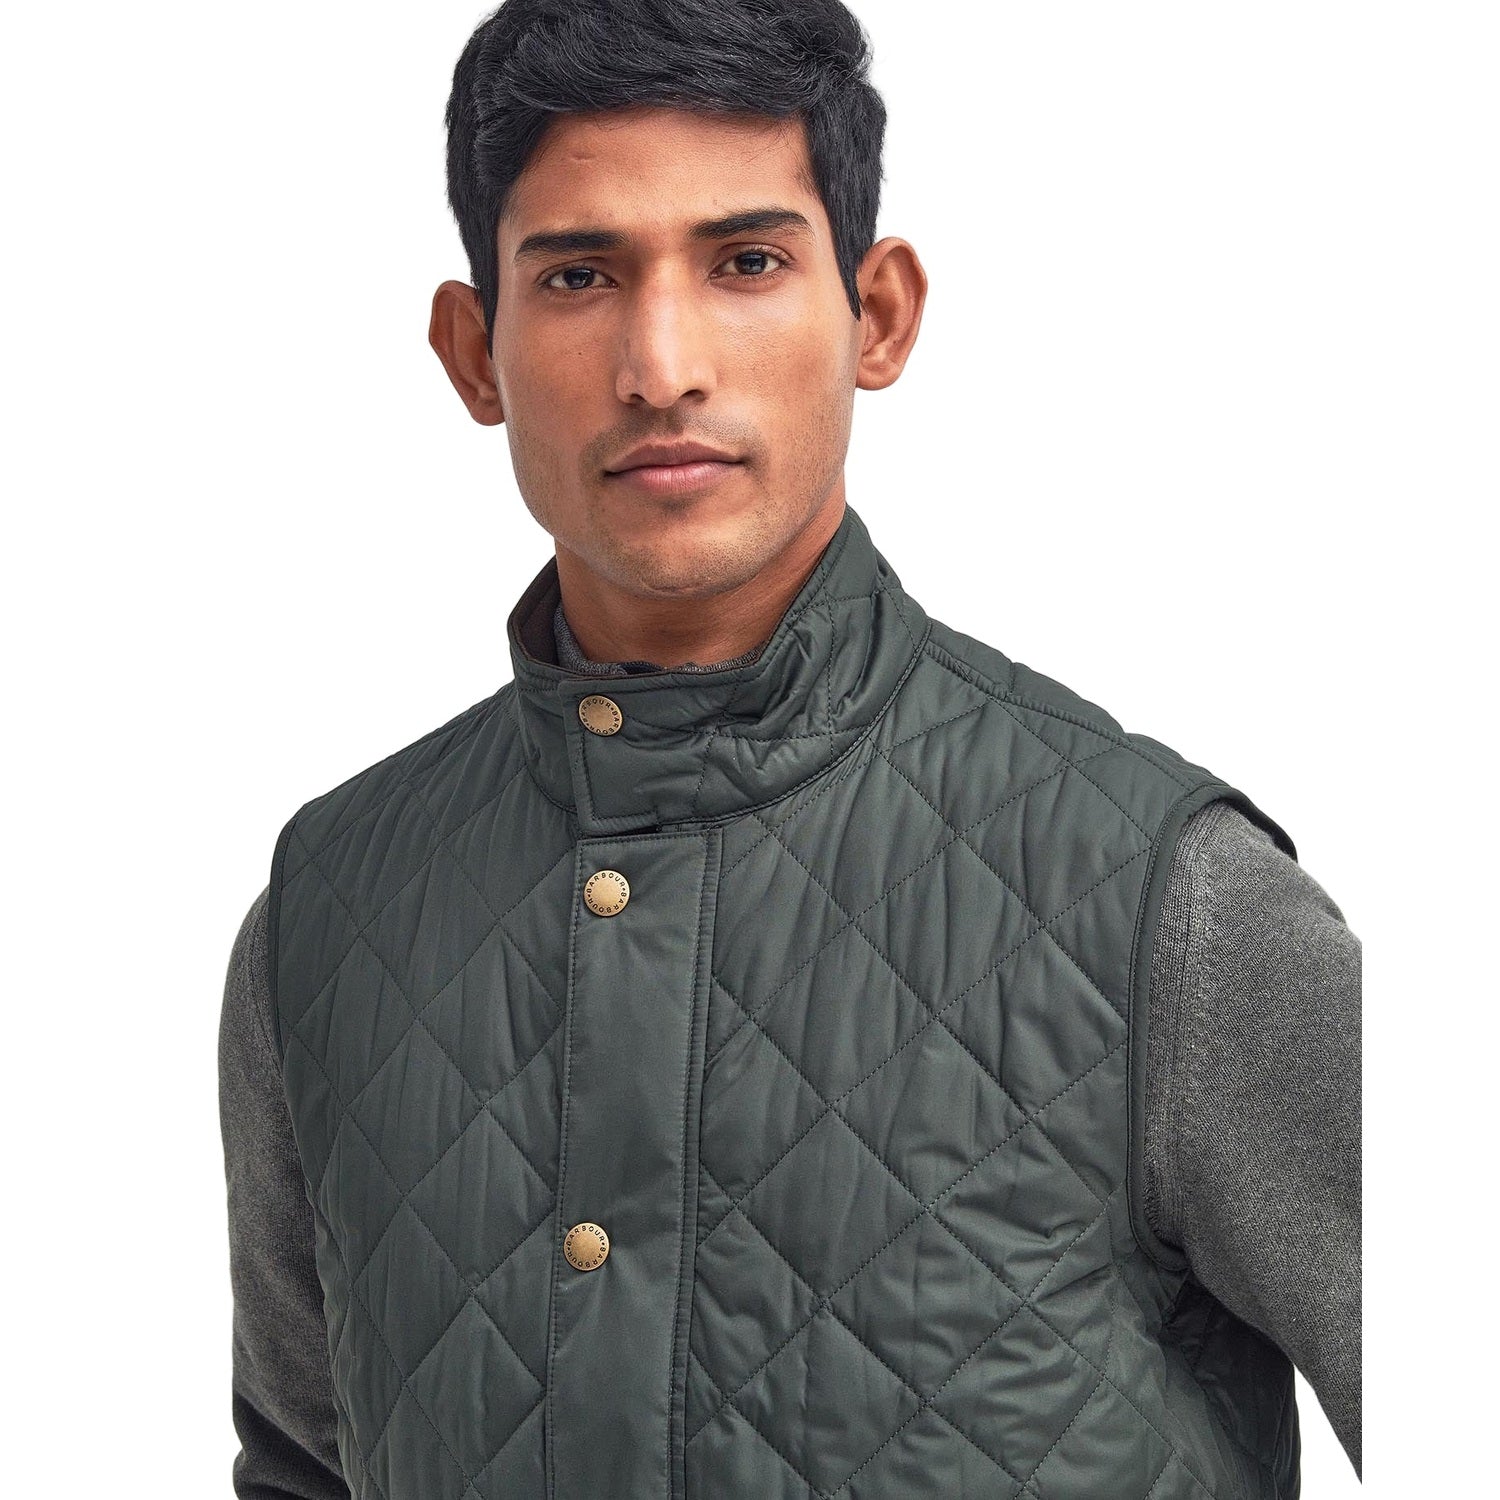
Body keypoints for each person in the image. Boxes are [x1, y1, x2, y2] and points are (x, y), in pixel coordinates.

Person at [218, 1, 1361, 1495]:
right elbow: (304, 1466)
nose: (661, 365)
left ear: (877, 314)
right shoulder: (331, 916)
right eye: (579, 276)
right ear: (472, 351)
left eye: (745, 261)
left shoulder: (1172, 905)